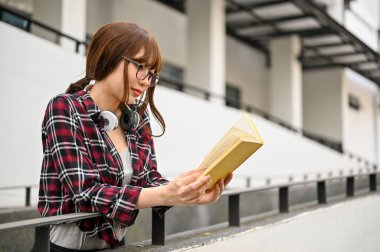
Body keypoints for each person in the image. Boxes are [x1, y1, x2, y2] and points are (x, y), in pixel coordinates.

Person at [34, 22, 232, 251]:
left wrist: (190, 191)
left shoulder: (137, 116)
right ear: (109, 56)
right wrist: (167, 194)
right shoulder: (65, 108)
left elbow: (149, 180)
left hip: (117, 244)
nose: (146, 80)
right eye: (140, 66)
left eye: (152, 74)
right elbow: (85, 191)